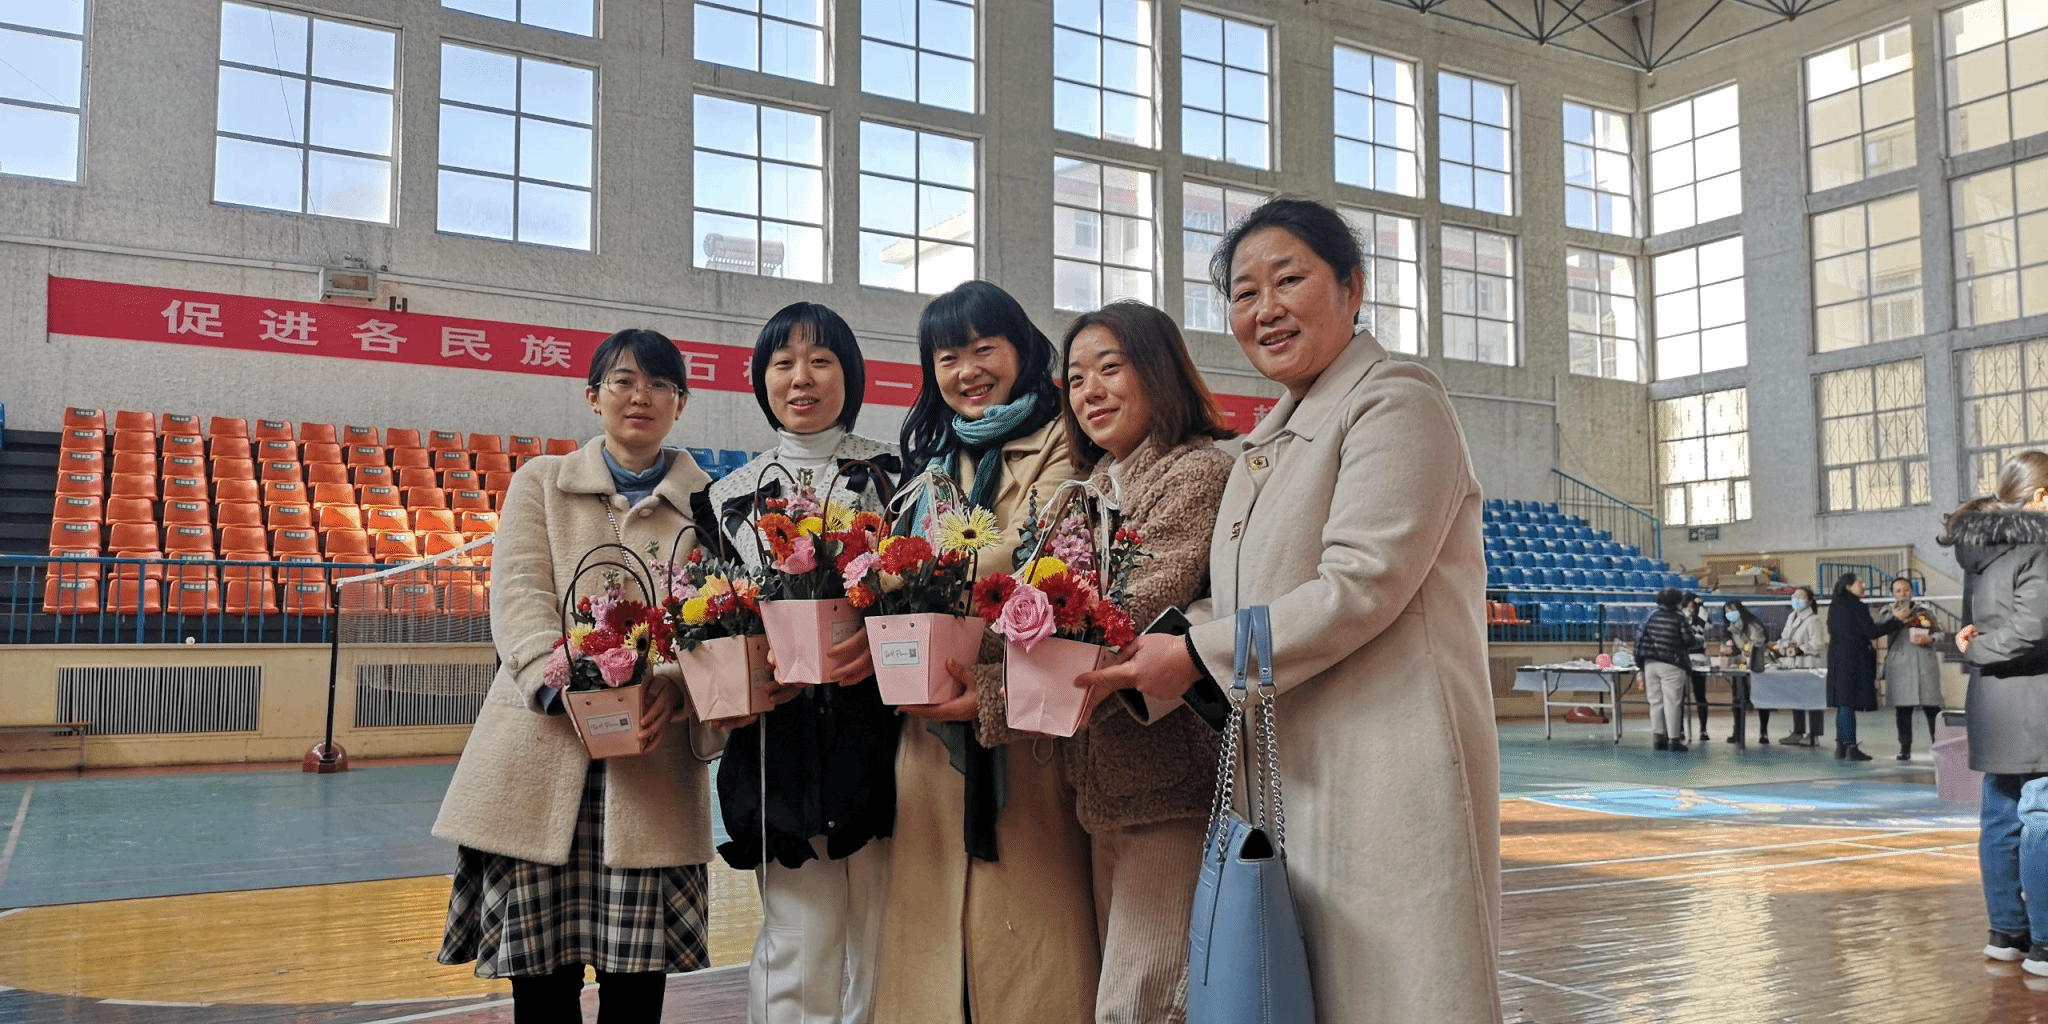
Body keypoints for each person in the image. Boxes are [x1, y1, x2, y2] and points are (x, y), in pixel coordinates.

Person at [1074, 198, 1500, 1023]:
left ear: (1352, 287)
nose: (1264, 308)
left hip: (1385, 769)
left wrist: (1192, 658)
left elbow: (1361, 585)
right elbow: (1238, 602)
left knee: (1399, 995)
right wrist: (1132, 662)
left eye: (1288, 280)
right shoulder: (1264, 445)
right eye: (1244, 293)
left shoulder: (1396, 401)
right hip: (1287, 773)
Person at [433, 329, 727, 1023]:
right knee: (541, 995)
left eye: (659, 384)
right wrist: (559, 682)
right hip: (539, 757)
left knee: (635, 997)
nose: (640, 396)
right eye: (623, 381)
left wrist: (676, 687)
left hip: (650, 769)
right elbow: (519, 595)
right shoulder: (541, 481)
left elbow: (716, 620)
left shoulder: (711, 505)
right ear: (594, 397)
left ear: (681, 403)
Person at [872, 280, 1096, 1024]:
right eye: (948, 357)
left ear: (1021, 350)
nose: (967, 371)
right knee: (932, 943)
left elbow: (1033, 550)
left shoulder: (1066, 439)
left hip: (1021, 706)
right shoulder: (931, 459)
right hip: (930, 716)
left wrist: (910, 571)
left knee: (1030, 929)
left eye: (983, 349)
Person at [699, 303, 903, 1024]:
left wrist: (881, 650)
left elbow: (931, 601)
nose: (801, 378)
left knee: (886, 939)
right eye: (782, 363)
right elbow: (716, 622)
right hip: (777, 743)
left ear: (851, 375)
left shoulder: (898, 476)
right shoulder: (727, 496)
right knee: (797, 941)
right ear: (762, 380)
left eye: (821, 361)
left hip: (886, 736)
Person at [1053, 300, 1234, 1023]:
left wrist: (989, 692)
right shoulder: (1092, 486)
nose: (1089, 391)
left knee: (1141, 1005)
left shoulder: (1196, 472)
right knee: (1130, 993)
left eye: (1109, 368)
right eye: (1075, 379)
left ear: (1158, 371)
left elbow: (1123, 614)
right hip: (1104, 783)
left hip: (1172, 786)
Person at [1945, 460, 2048, 972]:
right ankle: (2045, 942)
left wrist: (1973, 648)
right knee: (2041, 819)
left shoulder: (1980, 548)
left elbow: (1974, 626)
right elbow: (2032, 630)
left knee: (2000, 819)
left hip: (1992, 703)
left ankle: (2007, 932)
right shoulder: (2039, 546)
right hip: (2035, 704)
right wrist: (1978, 649)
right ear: (2042, 496)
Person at [1825, 572, 1906, 761]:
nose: (1863, 585)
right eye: (1859, 582)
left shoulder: (1835, 606)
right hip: (1853, 659)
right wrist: (1896, 620)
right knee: (1848, 703)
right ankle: (1851, 747)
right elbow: (1870, 632)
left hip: (1837, 658)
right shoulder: (1857, 606)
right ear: (1848, 586)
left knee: (1842, 703)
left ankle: (1841, 746)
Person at [1878, 574, 1945, 761]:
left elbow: (1939, 634)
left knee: (1932, 707)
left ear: (1912, 592)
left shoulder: (1925, 612)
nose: (1902, 594)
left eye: (1906, 590)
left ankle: (1939, 746)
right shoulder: (1886, 612)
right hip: (1900, 666)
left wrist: (1930, 639)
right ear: (1893, 594)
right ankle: (1905, 747)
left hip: (1924, 663)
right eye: (1898, 591)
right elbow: (1877, 629)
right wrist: (1895, 617)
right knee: (1903, 709)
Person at [1633, 588, 1698, 752]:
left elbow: (1639, 639)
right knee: (1672, 702)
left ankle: (1658, 737)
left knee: (1655, 702)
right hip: (1672, 664)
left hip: (1650, 663)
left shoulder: (1650, 616)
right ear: (1677, 601)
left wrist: (1640, 663)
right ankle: (1674, 739)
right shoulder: (1679, 617)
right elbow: (1689, 640)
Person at [1715, 599, 1770, 749]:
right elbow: (1727, 646)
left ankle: (1763, 732)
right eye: (1727, 611)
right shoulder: (1729, 629)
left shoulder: (1753, 625)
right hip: (1739, 667)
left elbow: (1758, 643)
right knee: (1737, 700)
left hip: (1756, 665)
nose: (1729, 614)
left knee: (1762, 700)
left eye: (1732, 610)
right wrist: (1727, 651)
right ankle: (1737, 731)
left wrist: (1739, 650)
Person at [1777, 586, 1827, 745]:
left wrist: (1801, 649)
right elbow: (1784, 637)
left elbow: (1817, 643)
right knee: (1796, 699)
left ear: (1810, 602)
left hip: (1809, 664)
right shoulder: (1791, 616)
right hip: (1794, 664)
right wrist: (1783, 647)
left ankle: (1814, 735)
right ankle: (1798, 731)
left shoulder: (1813, 620)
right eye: (1794, 596)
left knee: (1812, 700)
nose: (1796, 600)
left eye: (1800, 597)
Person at [1681, 593, 1712, 741]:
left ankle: (1703, 730)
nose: (1690, 609)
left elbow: (1707, 626)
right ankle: (1679, 729)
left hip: (1699, 659)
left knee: (1700, 695)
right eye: (1688, 606)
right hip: (1682, 659)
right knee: (1680, 696)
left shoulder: (1701, 617)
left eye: (1693, 606)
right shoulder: (1680, 618)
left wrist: (1701, 606)